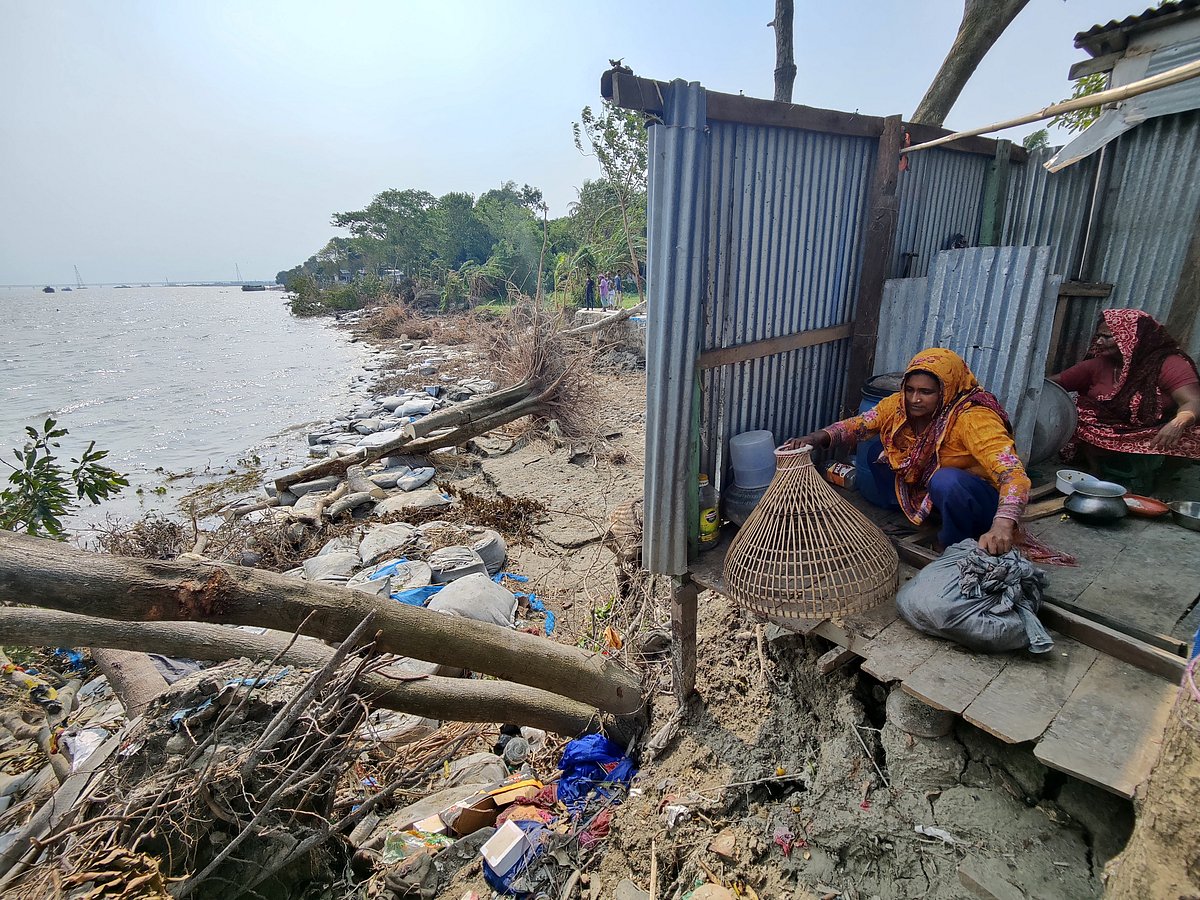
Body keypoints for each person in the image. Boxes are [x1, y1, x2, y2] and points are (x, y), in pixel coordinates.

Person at [786, 348, 1029, 556]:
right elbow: (861, 424)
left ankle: (952, 541)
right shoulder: (899, 405)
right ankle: (921, 518)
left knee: (946, 481)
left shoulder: (973, 418)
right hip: (934, 489)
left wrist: (1003, 525)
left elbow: (1013, 474)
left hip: (976, 500)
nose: (915, 399)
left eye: (926, 392)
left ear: (946, 389)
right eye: (910, 389)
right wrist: (814, 438)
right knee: (878, 453)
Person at [1051, 309, 1200, 486]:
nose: (1099, 342)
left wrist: (1178, 423)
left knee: (1193, 432)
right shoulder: (1099, 364)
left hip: (1156, 430)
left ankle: (1163, 482)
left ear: (1131, 339)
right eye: (1099, 336)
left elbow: (1193, 401)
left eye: (1107, 337)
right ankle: (1096, 472)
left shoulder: (1169, 364)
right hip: (1111, 428)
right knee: (1080, 410)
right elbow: (1057, 383)